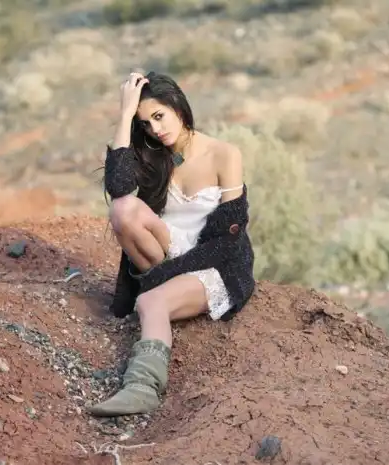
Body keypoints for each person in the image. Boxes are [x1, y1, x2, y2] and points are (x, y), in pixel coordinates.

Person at [87, 71, 255, 417]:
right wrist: (124, 115)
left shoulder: (224, 154)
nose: (155, 129)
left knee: (151, 300)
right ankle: (160, 293)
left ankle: (143, 388)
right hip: (165, 254)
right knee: (123, 208)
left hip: (215, 264)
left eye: (159, 116)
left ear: (178, 106)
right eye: (145, 123)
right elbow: (119, 188)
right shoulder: (154, 154)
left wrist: (161, 278)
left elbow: (228, 241)